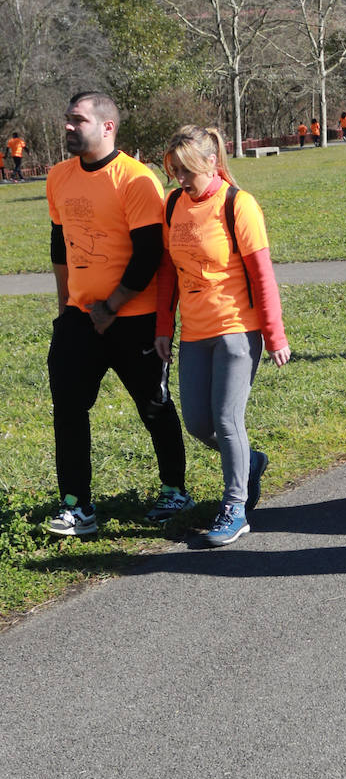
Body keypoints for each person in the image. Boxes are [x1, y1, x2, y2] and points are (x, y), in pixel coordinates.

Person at [44, 91, 192, 536]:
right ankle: (76, 505)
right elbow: (59, 244)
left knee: (155, 406)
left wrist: (111, 306)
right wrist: (66, 305)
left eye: (77, 120)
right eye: (67, 119)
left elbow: (149, 253)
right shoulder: (58, 177)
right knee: (69, 408)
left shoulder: (136, 179)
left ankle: (174, 491)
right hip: (79, 318)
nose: (69, 127)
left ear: (107, 126)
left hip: (135, 317)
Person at [155, 126, 291, 548]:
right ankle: (251, 462)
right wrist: (164, 327)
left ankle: (235, 507)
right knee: (198, 422)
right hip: (195, 332)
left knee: (228, 421)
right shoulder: (173, 204)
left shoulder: (238, 205)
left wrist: (274, 334)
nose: (179, 178)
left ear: (211, 162)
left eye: (186, 170)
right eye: (174, 170)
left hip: (237, 329)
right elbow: (167, 273)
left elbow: (262, 276)